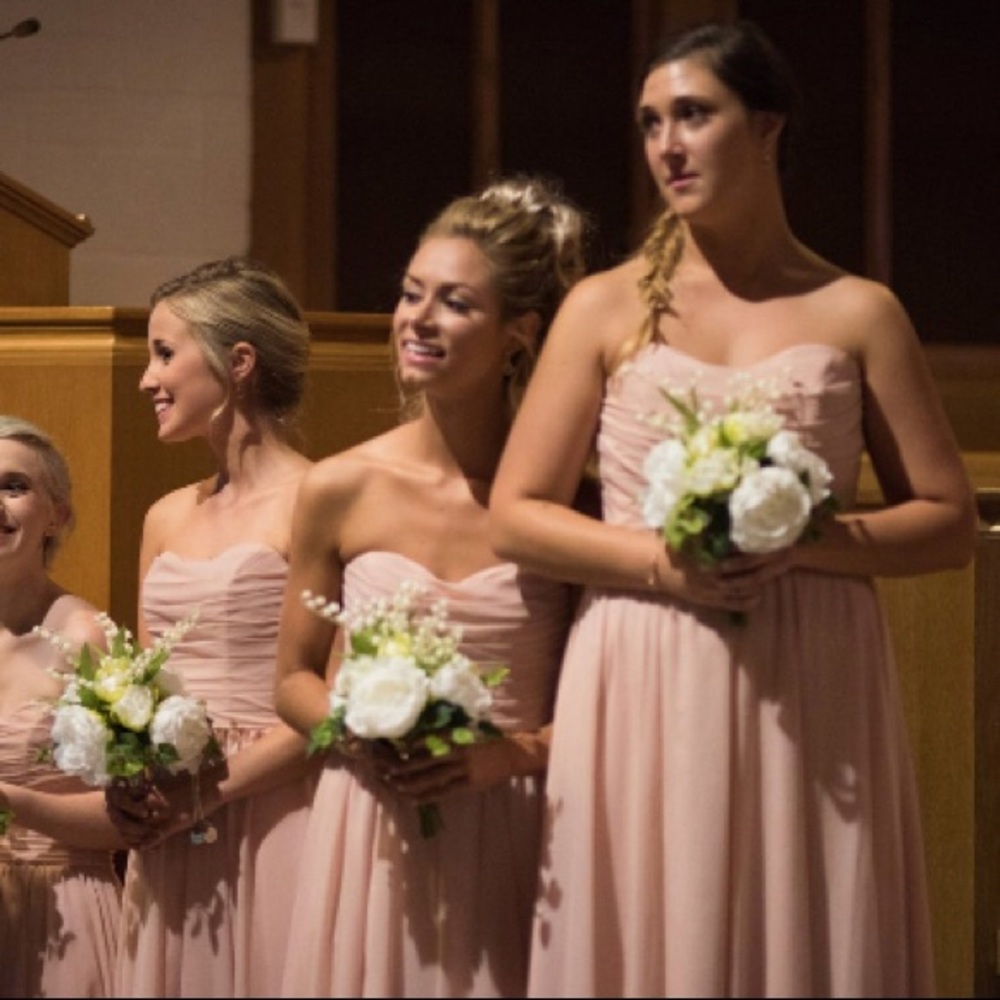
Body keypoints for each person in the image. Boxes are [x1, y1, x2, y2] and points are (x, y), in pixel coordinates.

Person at [489, 20, 977, 999]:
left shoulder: (858, 310)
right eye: (649, 122)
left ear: (765, 126)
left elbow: (948, 520)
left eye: (693, 115)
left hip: (810, 658)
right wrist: (662, 564)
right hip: (644, 654)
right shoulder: (603, 306)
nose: (666, 143)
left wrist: (802, 542)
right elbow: (517, 512)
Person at [273, 176, 587, 997]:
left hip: (521, 828)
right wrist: (361, 732)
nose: (418, 317)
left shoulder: (571, 502)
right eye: (412, 294)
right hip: (368, 825)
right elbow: (293, 678)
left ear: (520, 333)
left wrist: (505, 757)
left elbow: (605, 705)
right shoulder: (341, 485)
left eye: (454, 302)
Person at [105, 256, 321, 997]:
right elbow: (138, 688)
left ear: (239, 362)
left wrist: (207, 792)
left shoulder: (317, 502)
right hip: (173, 824)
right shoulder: (163, 516)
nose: (145, 379)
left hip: (277, 811)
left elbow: (329, 709)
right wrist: (131, 777)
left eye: (165, 353)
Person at [0, 415, 124, 997]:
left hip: (62, 911)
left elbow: (129, 819)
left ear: (58, 514)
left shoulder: (85, 637)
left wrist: (14, 803)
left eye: (14, 487)